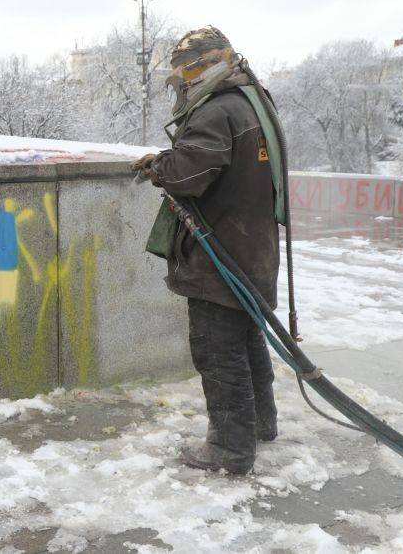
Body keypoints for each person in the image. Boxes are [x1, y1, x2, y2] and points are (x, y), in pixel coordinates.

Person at [132, 26, 280, 475]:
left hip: (221, 254)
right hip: (254, 249)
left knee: (218, 352)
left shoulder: (217, 109)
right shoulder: (253, 100)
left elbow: (187, 175)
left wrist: (159, 166)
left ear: (199, 70)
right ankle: (260, 425)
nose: (180, 85)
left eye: (182, 77)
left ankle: (230, 450)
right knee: (246, 340)